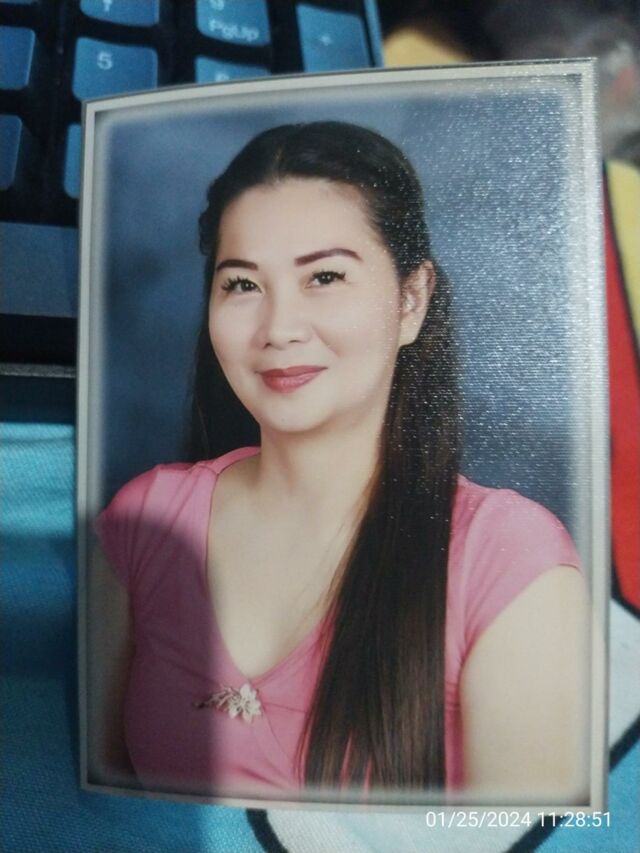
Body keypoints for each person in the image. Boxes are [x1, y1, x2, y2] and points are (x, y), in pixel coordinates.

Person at [88, 121, 590, 803]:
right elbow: (90, 810)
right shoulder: (146, 519)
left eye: (324, 276)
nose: (279, 329)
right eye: (242, 284)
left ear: (411, 300)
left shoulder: (507, 558)